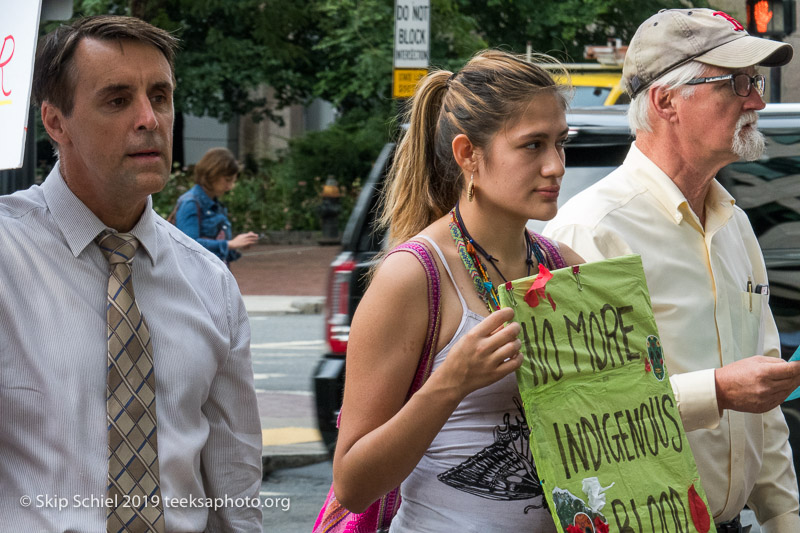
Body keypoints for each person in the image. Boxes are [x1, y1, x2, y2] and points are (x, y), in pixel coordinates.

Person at [0, 15, 262, 532]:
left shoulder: (210, 284)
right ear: (56, 123)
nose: (150, 119)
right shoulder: (7, 257)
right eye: (117, 100)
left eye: (160, 97)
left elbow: (236, 487)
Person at [544, 8, 799, 532]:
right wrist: (720, 391)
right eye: (737, 83)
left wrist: (783, 517)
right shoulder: (591, 231)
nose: (757, 100)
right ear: (665, 101)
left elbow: (765, 411)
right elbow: (578, 416)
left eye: (754, 82)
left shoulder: (735, 226)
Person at [331, 50, 583, 532]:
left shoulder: (564, 267)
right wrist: (452, 382)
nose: (555, 166)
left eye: (560, 143)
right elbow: (353, 484)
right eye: (532, 146)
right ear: (468, 155)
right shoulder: (413, 277)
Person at [174, 147, 258, 265]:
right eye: (228, 180)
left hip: (214, 275)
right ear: (212, 173)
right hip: (199, 278)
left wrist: (236, 245)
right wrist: (230, 244)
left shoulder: (214, 203)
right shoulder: (190, 203)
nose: (230, 186)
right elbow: (188, 245)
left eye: (233, 181)